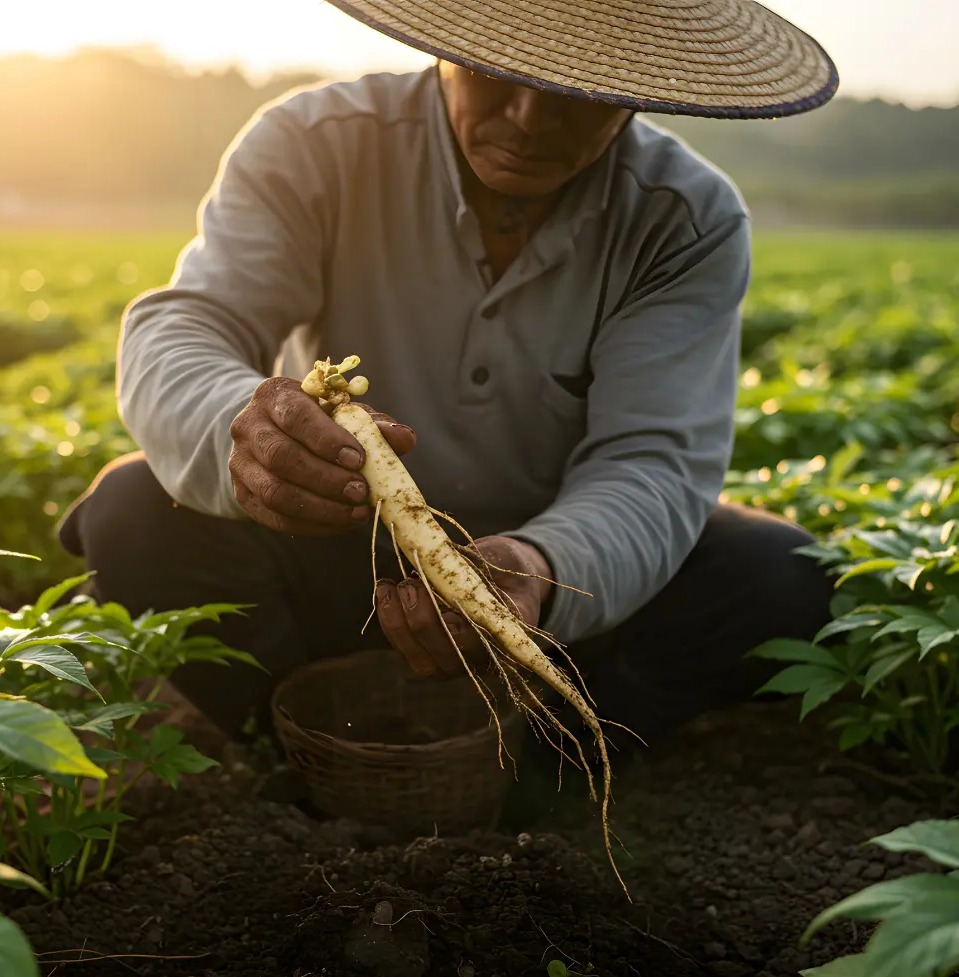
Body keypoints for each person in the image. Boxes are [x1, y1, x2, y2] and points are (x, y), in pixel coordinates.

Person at [58, 0, 840, 750]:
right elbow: (187, 326)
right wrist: (248, 427)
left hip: (549, 590)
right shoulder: (315, 144)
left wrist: (540, 567)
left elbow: (653, 465)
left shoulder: (684, 217)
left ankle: (546, 747)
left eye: (577, 92)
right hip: (342, 543)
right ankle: (296, 735)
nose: (530, 121)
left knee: (778, 577)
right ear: (446, 46)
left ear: (636, 95)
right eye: (498, 69)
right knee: (135, 509)